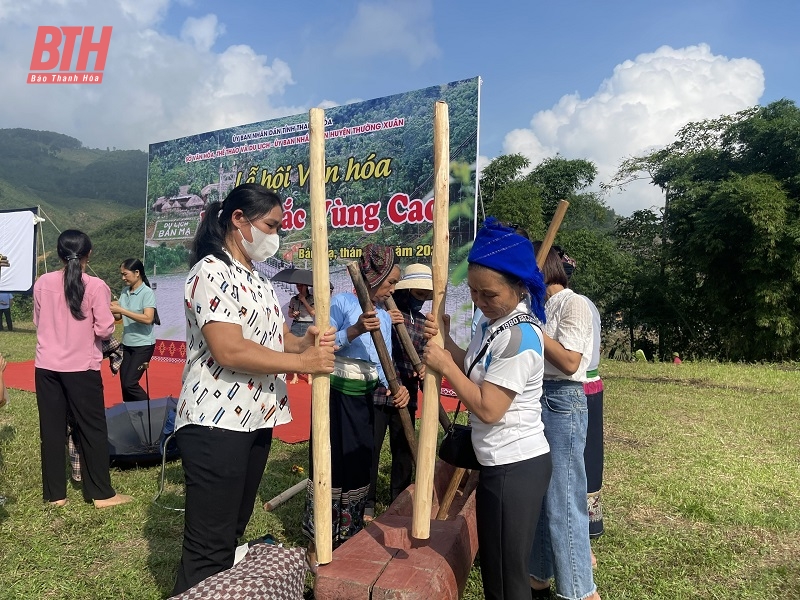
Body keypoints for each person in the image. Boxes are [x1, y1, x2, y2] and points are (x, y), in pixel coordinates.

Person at [171, 183, 336, 595]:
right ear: (238, 220)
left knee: (230, 534)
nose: (275, 236)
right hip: (215, 423)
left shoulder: (258, 280)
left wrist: (306, 341)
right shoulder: (209, 272)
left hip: (256, 418)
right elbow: (230, 349)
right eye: (271, 225)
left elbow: (278, 340)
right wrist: (302, 363)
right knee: (208, 546)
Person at [423, 218, 552, 600]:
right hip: (498, 462)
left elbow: (488, 407)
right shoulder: (493, 323)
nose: (479, 301)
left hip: (516, 466)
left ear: (518, 287)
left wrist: (445, 366)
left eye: (489, 294)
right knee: (496, 570)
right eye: (473, 292)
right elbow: (473, 368)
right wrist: (447, 342)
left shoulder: (520, 336)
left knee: (508, 579)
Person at [302, 243, 409, 547]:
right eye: (390, 282)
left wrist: (396, 387)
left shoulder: (386, 315)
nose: (392, 289)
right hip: (337, 396)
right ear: (374, 278)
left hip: (366, 397)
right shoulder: (344, 303)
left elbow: (383, 359)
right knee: (333, 461)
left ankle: (348, 532)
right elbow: (322, 343)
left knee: (360, 460)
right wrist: (355, 330)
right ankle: (322, 535)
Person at [33, 230, 132, 509]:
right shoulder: (97, 286)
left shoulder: (42, 282)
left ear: (58, 254)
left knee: (51, 430)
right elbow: (103, 328)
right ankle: (101, 493)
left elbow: (38, 320)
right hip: (81, 368)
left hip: (46, 366)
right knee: (91, 429)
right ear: (89, 254)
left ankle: (55, 495)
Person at [528, 242, 600, 600]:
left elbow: (571, 362)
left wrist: (534, 329)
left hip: (562, 400)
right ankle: (538, 576)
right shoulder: (536, 307)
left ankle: (580, 591)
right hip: (536, 396)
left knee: (563, 497)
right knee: (541, 491)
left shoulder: (575, 304)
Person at [365, 263, 432, 521]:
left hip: (408, 393)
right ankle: (367, 502)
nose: (421, 300)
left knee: (403, 448)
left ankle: (399, 500)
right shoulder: (385, 313)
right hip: (381, 390)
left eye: (425, 296)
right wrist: (386, 321)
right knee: (372, 446)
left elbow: (425, 354)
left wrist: (425, 366)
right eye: (417, 294)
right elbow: (377, 349)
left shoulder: (423, 322)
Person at [110, 258, 159, 402]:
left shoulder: (147, 293)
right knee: (124, 385)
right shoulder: (125, 291)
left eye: (125, 274)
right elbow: (119, 315)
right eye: (121, 274)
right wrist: (112, 308)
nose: (123, 278)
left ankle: (150, 411)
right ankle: (133, 416)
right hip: (127, 344)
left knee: (130, 384)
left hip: (143, 345)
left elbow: (148, 318)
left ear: (137, 273)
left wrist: (122, 310)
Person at [287, 283, 315, 384]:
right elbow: (289, 313)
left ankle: (309, 375)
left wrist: (304, 300)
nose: (299, 288)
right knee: (295, 350)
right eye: (297, 286)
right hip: (296, 324)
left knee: (308, 350)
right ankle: (295, 375)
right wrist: (293, 314)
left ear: (306, 286)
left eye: (301, 286)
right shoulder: (294, 299)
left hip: (308, 324)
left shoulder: (311, 298)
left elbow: (313, 312)